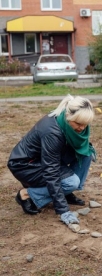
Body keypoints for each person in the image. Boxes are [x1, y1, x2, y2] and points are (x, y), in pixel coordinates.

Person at [7, 94, 96, 226]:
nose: (82, 128)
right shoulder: (52, 132)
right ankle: (27, 194)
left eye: (85, 124)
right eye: (78, 123)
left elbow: (67, 152)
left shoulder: (65, 122)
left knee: (86, 153)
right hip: (25, 165)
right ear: (68, 116)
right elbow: (51, 170)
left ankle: (66, 191)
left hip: (46, 158)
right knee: (71, 182)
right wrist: (63, 210)